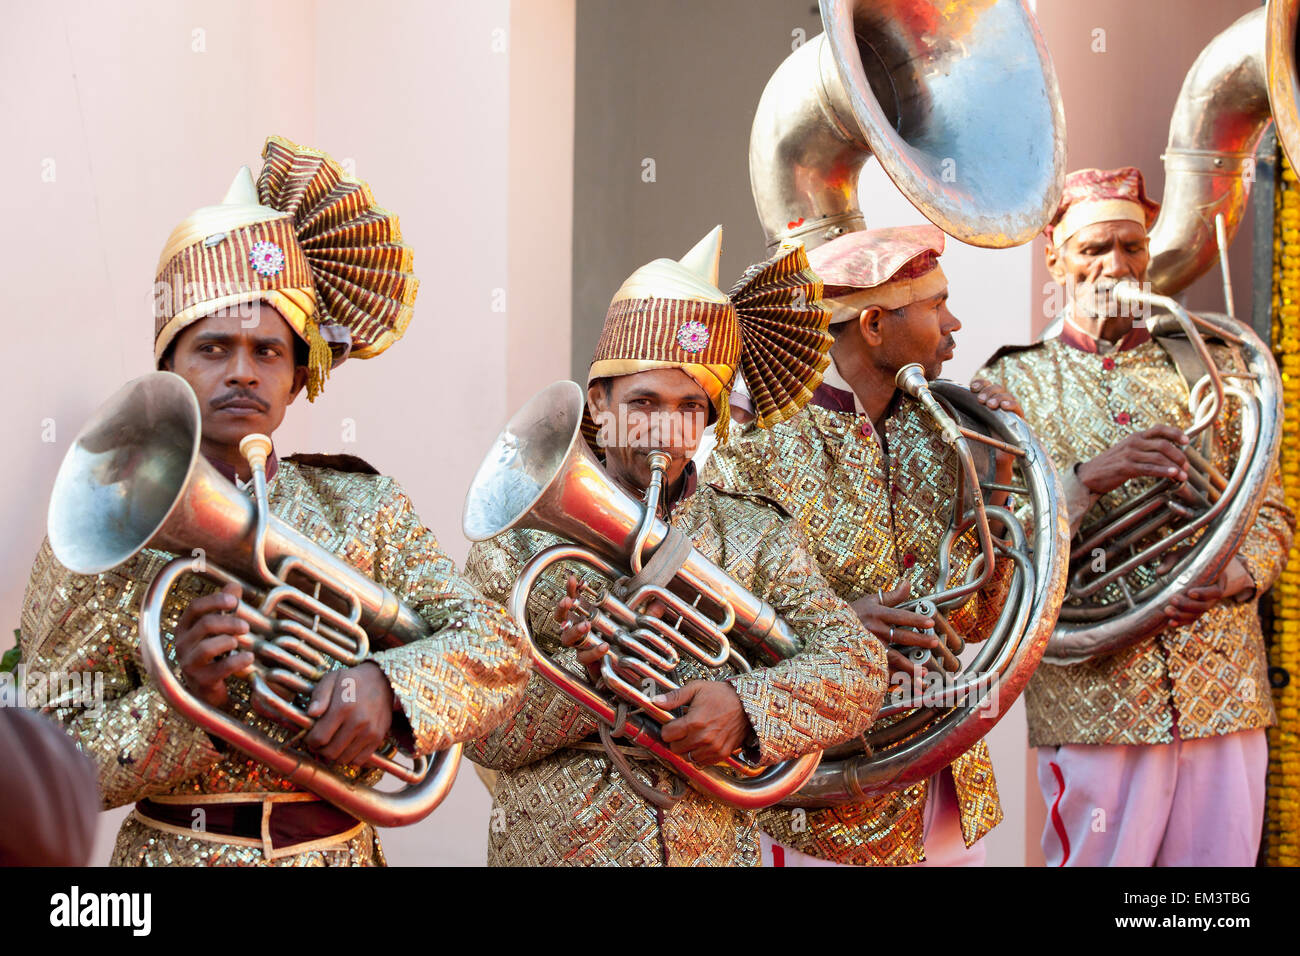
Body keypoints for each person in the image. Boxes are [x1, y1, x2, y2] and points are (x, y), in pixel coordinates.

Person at [19, 136, 530, 866]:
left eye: (267, 352)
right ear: (168, 366)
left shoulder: (364, 505)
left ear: (298, 375)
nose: (242, 373)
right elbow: (45, 758)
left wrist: (387, 684)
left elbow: (501, 655)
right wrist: (183, 701)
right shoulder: (106, 517)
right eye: (213, 347)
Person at [464, 227, 889, 865]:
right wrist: (593, 678)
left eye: (690, 408)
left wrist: (745, 706)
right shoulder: (518, 540)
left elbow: (858, 671)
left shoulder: (754, 532)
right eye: (644, 403)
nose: (666, 427)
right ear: (598, 406)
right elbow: (476, 728)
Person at [974, 166, 1293, 866]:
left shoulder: (1208, 364)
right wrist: (1087, 479)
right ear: (1053, 258)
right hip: (1097, 702)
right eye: (1093, 250)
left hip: (1222, 692)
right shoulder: (1008, 383)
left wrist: (1235, 572)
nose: (1116, 266)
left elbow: (1270, 510)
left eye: (1131, 247)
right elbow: (994, 544)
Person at [706, 224, 1019, 866]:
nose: (954, 324)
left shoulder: (942, 428)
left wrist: (997, 489)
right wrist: (837, 632)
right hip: (820, 809)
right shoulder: (752, 442)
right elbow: (713, 624)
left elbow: (981, 620)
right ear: (873, 324)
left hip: (945, 782)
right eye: (935, 305)